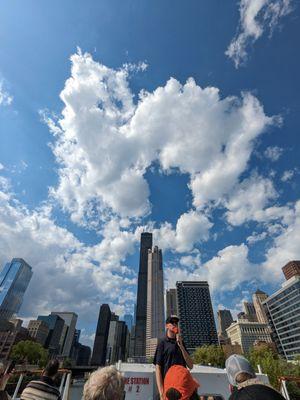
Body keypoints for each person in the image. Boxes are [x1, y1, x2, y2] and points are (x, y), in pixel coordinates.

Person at [154, 315, 194, 400]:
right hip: (168, 389)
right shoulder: (162, 343)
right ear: (167, 326)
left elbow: (191, 366)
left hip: (182, 388)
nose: (175, 324)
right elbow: (158, 368)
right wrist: (161, 392)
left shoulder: (181, 342)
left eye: (176, 323)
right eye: (172, 322)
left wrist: (181, 346)